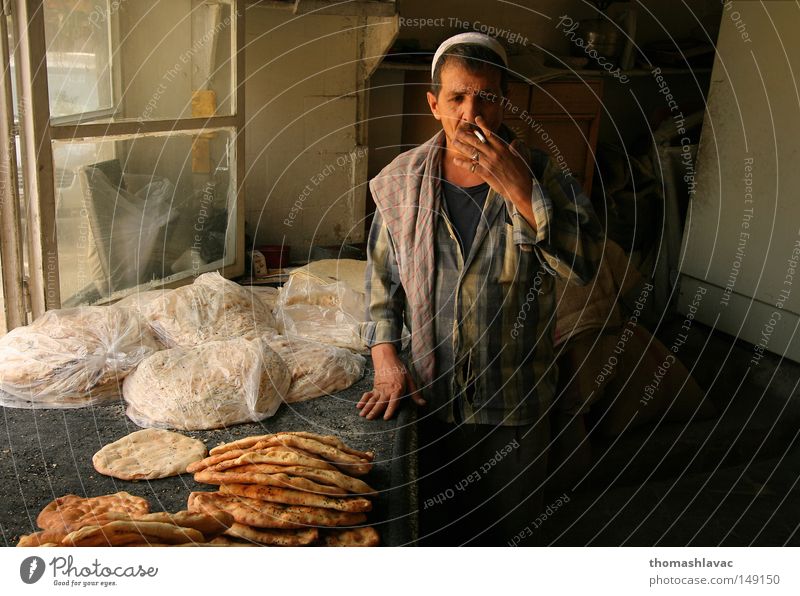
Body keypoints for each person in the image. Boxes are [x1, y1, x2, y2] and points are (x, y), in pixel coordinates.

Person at [357, 32, 603, 546]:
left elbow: (582, 267)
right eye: (458, 97)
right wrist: (384, 354)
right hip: (427, 398)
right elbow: (383, 284)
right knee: (430, 536)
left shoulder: (544, 176)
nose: (473, 113)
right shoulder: (400, 182)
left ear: (504, 102)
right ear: (434, 105)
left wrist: (519, 190)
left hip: (512, 405)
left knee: (508, 541)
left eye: (488, 97)